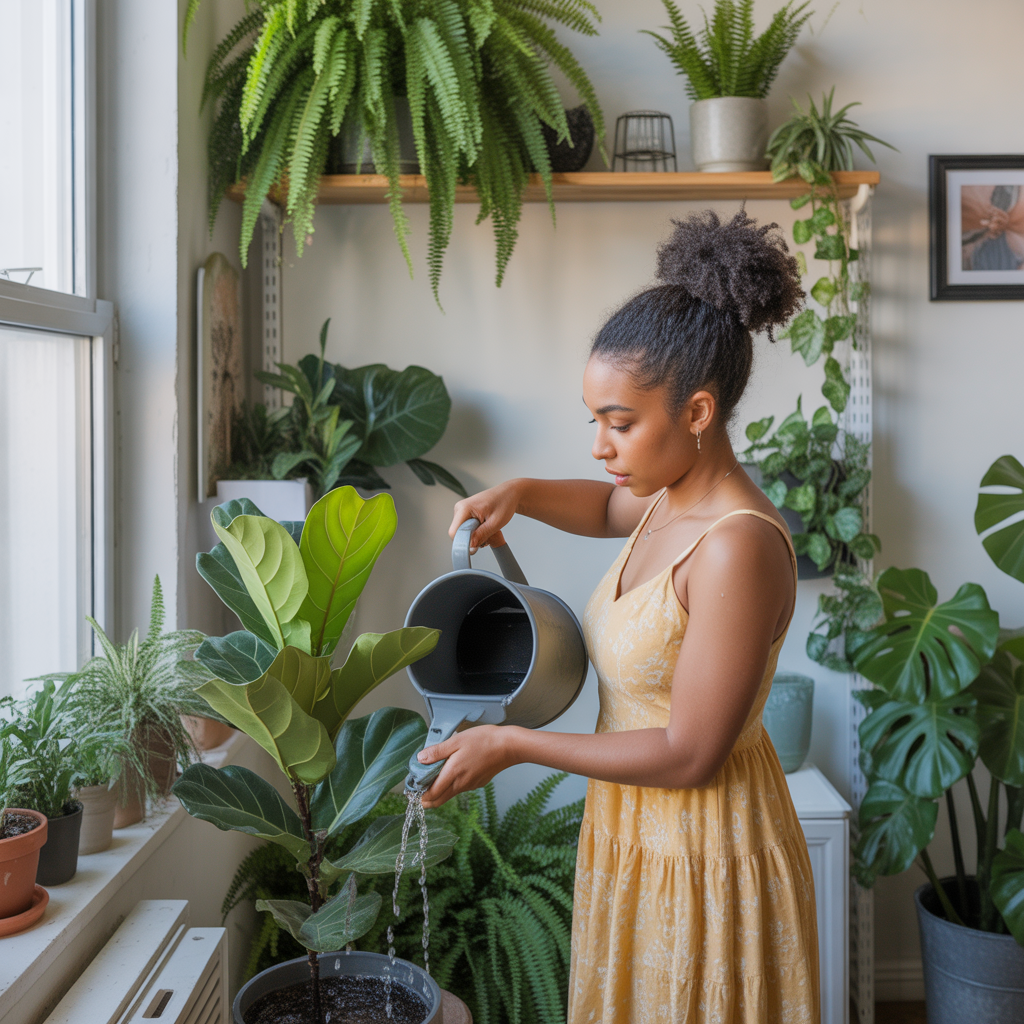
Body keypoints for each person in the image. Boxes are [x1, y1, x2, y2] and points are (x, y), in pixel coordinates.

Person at [416, 210, 820, 1023]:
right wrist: (520, 495)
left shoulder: (736, 549)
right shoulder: (664, 497)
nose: (601, 444)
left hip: (706, 848)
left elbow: (691, 753)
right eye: (594, 418)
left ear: (698, 413)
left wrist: (512, 744)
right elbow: (606, 503)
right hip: (634, 831)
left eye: (621, 422)